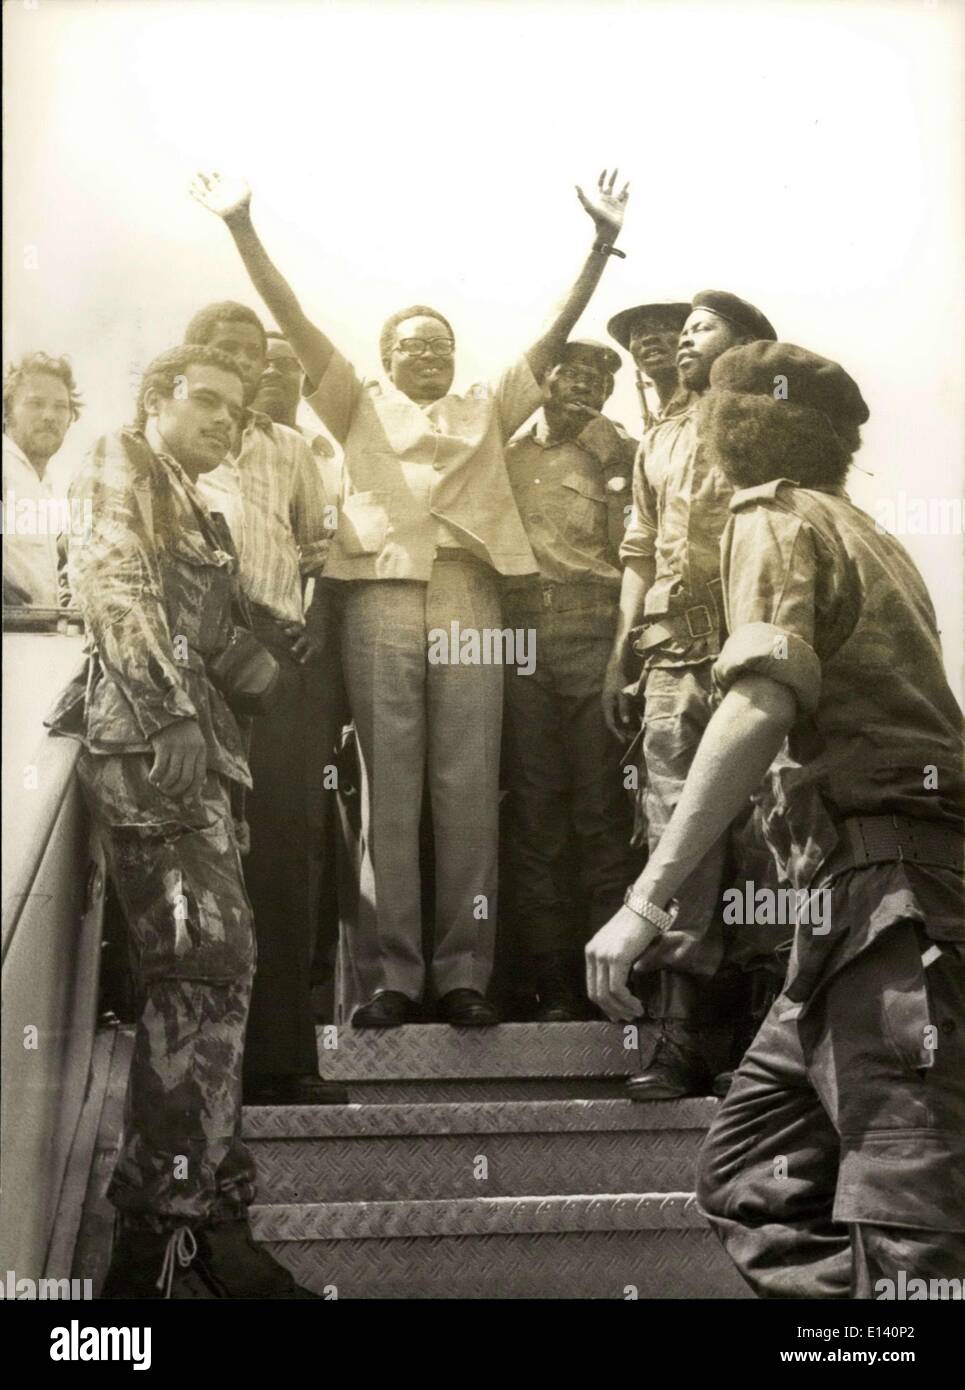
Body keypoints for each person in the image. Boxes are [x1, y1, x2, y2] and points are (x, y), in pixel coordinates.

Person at [190, 167, 631, 1028]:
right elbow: (293, 321)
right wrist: (242, 226)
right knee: (388, 792)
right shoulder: (352, 402)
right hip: (379, 601)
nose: (426, 355)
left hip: (472, 601)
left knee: (468, 789)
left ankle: (464, 973)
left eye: (440, 344)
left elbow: (554, 333)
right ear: (385, 357)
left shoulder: (487, 406)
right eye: (410, 345)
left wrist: (600, 243)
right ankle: (394, 977)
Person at [587, 340, 964, 1297]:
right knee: (751, 1175)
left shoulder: (771, 516)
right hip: (855, 907)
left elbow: (760, 700)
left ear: (729, 437)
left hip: (894, 900)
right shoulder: (865, 530)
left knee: (905, 1205)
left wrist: (645, 902)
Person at [46, 344, 317, 1298]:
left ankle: (202, 1215)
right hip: (154, 745)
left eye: (237, 414)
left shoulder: (195, 501)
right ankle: (161, 1237)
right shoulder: (119, 460)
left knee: (217, 972)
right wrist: (167, 708)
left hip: (200, 757)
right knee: (198, 965)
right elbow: (116, 583)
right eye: (205, 401)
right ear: (154, 400)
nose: (224, 422)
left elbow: (203, 619)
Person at [602, 291, 778, 1100]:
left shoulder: (768, 420)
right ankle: (679, 1038)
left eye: (700, 329)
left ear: (746, 343)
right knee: (676, 833)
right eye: (680, 333)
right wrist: (619, 658)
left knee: (764, 838)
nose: (681, 341)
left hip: (752, 645)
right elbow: (638, 549)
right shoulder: (660, 436)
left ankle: (764, 1041)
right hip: (671, 654)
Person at [182, 302, 346, 1105]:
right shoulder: (168, 445)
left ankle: (282, 1061)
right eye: (223, 352)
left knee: (285, 855)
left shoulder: (289, 449)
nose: (242, 365)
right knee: (205, 857)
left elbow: (317, 547)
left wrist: (309, 624)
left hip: (276, 663)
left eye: (252, 355)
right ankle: (204, 1069)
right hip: (194, 664)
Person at [500, 338, 639, 1020]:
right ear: (541, 379)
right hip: (519, 629)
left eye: (595, 378)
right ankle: (551, 982)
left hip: (592, 629)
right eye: (567, 371)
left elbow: (639, 554)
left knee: (597, 809)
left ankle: (605, 983)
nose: (580, 385)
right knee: (532, 810)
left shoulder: (622, 455)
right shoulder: (507, 452)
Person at [2, 352, 82, 606]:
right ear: (6, 413)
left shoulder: (44, 483)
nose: (49, 415)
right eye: (35, 403)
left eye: (60, 406)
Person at [606, 301, 691, 426]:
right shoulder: (656, 420)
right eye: (638, 333)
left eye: (665, 327)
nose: (649, 338)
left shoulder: (710, 402)